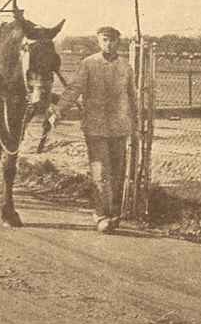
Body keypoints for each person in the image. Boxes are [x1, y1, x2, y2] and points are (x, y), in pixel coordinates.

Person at [47, 26, 137, 233]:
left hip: (120, 127)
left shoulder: (126, 66)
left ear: (118, 42)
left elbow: (132, 96)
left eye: (113, 40)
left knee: (117, 173)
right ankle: (101, 214)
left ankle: (114, 214)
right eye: (105, 40)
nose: (109, 44)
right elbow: (74, 89)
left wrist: (136, 124)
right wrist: (58, 111)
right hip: (96, 127)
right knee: (101, 172)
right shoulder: (88, 64)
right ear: (99, 42)